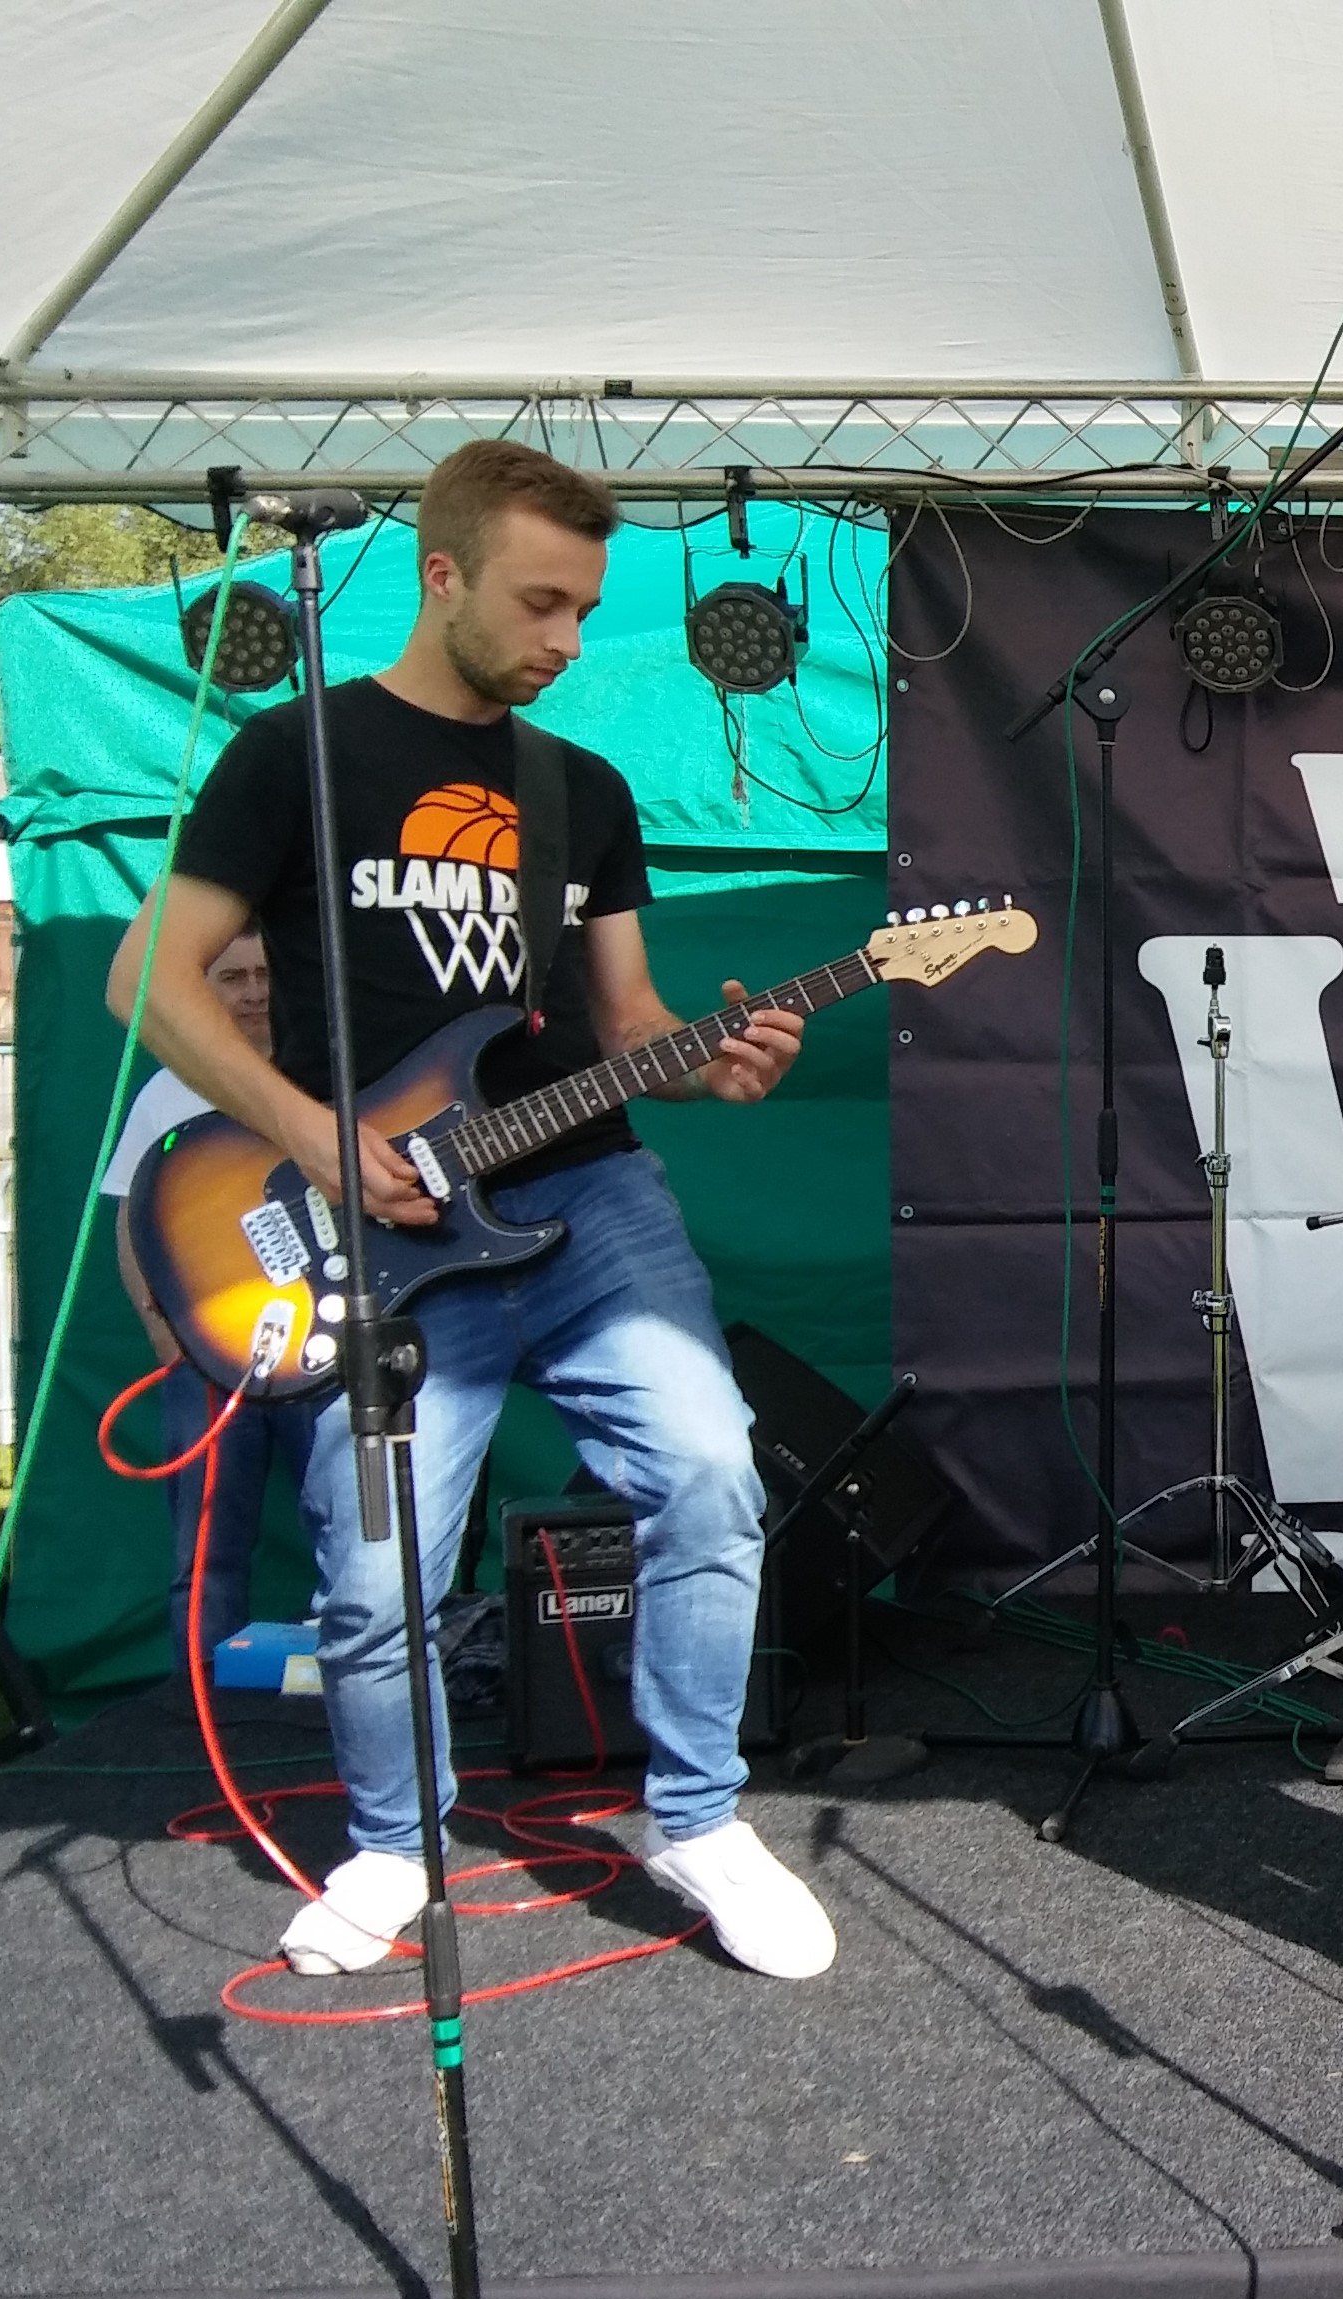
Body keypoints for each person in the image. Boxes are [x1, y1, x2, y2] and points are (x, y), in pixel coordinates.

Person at [108, 438, 835, 1982]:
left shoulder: (584, 792)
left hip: (587, 1197)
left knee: (711, 1470)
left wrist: (713, 1067)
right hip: (374, 1226)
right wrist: (310, 1135)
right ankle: (394, 1843)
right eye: (540, 602)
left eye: (585, 609)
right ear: (441, 576)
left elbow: (628, 1022)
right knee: (373, 1572)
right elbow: (146, 981)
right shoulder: (293, 757)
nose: (569, 639)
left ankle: (699, 1817)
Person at [101, 927, 318, 1642]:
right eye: (233, 978)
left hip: (325, 1349)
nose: (253, 992)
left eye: (264, 974)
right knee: (205, 1559)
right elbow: (132, 1221)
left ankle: (351, 1693)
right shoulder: (169, 1091)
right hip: (207, 1357)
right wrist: (167, 1338)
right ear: (204, 989)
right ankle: (199, 1699)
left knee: (355, 1545)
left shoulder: (331, 1078)